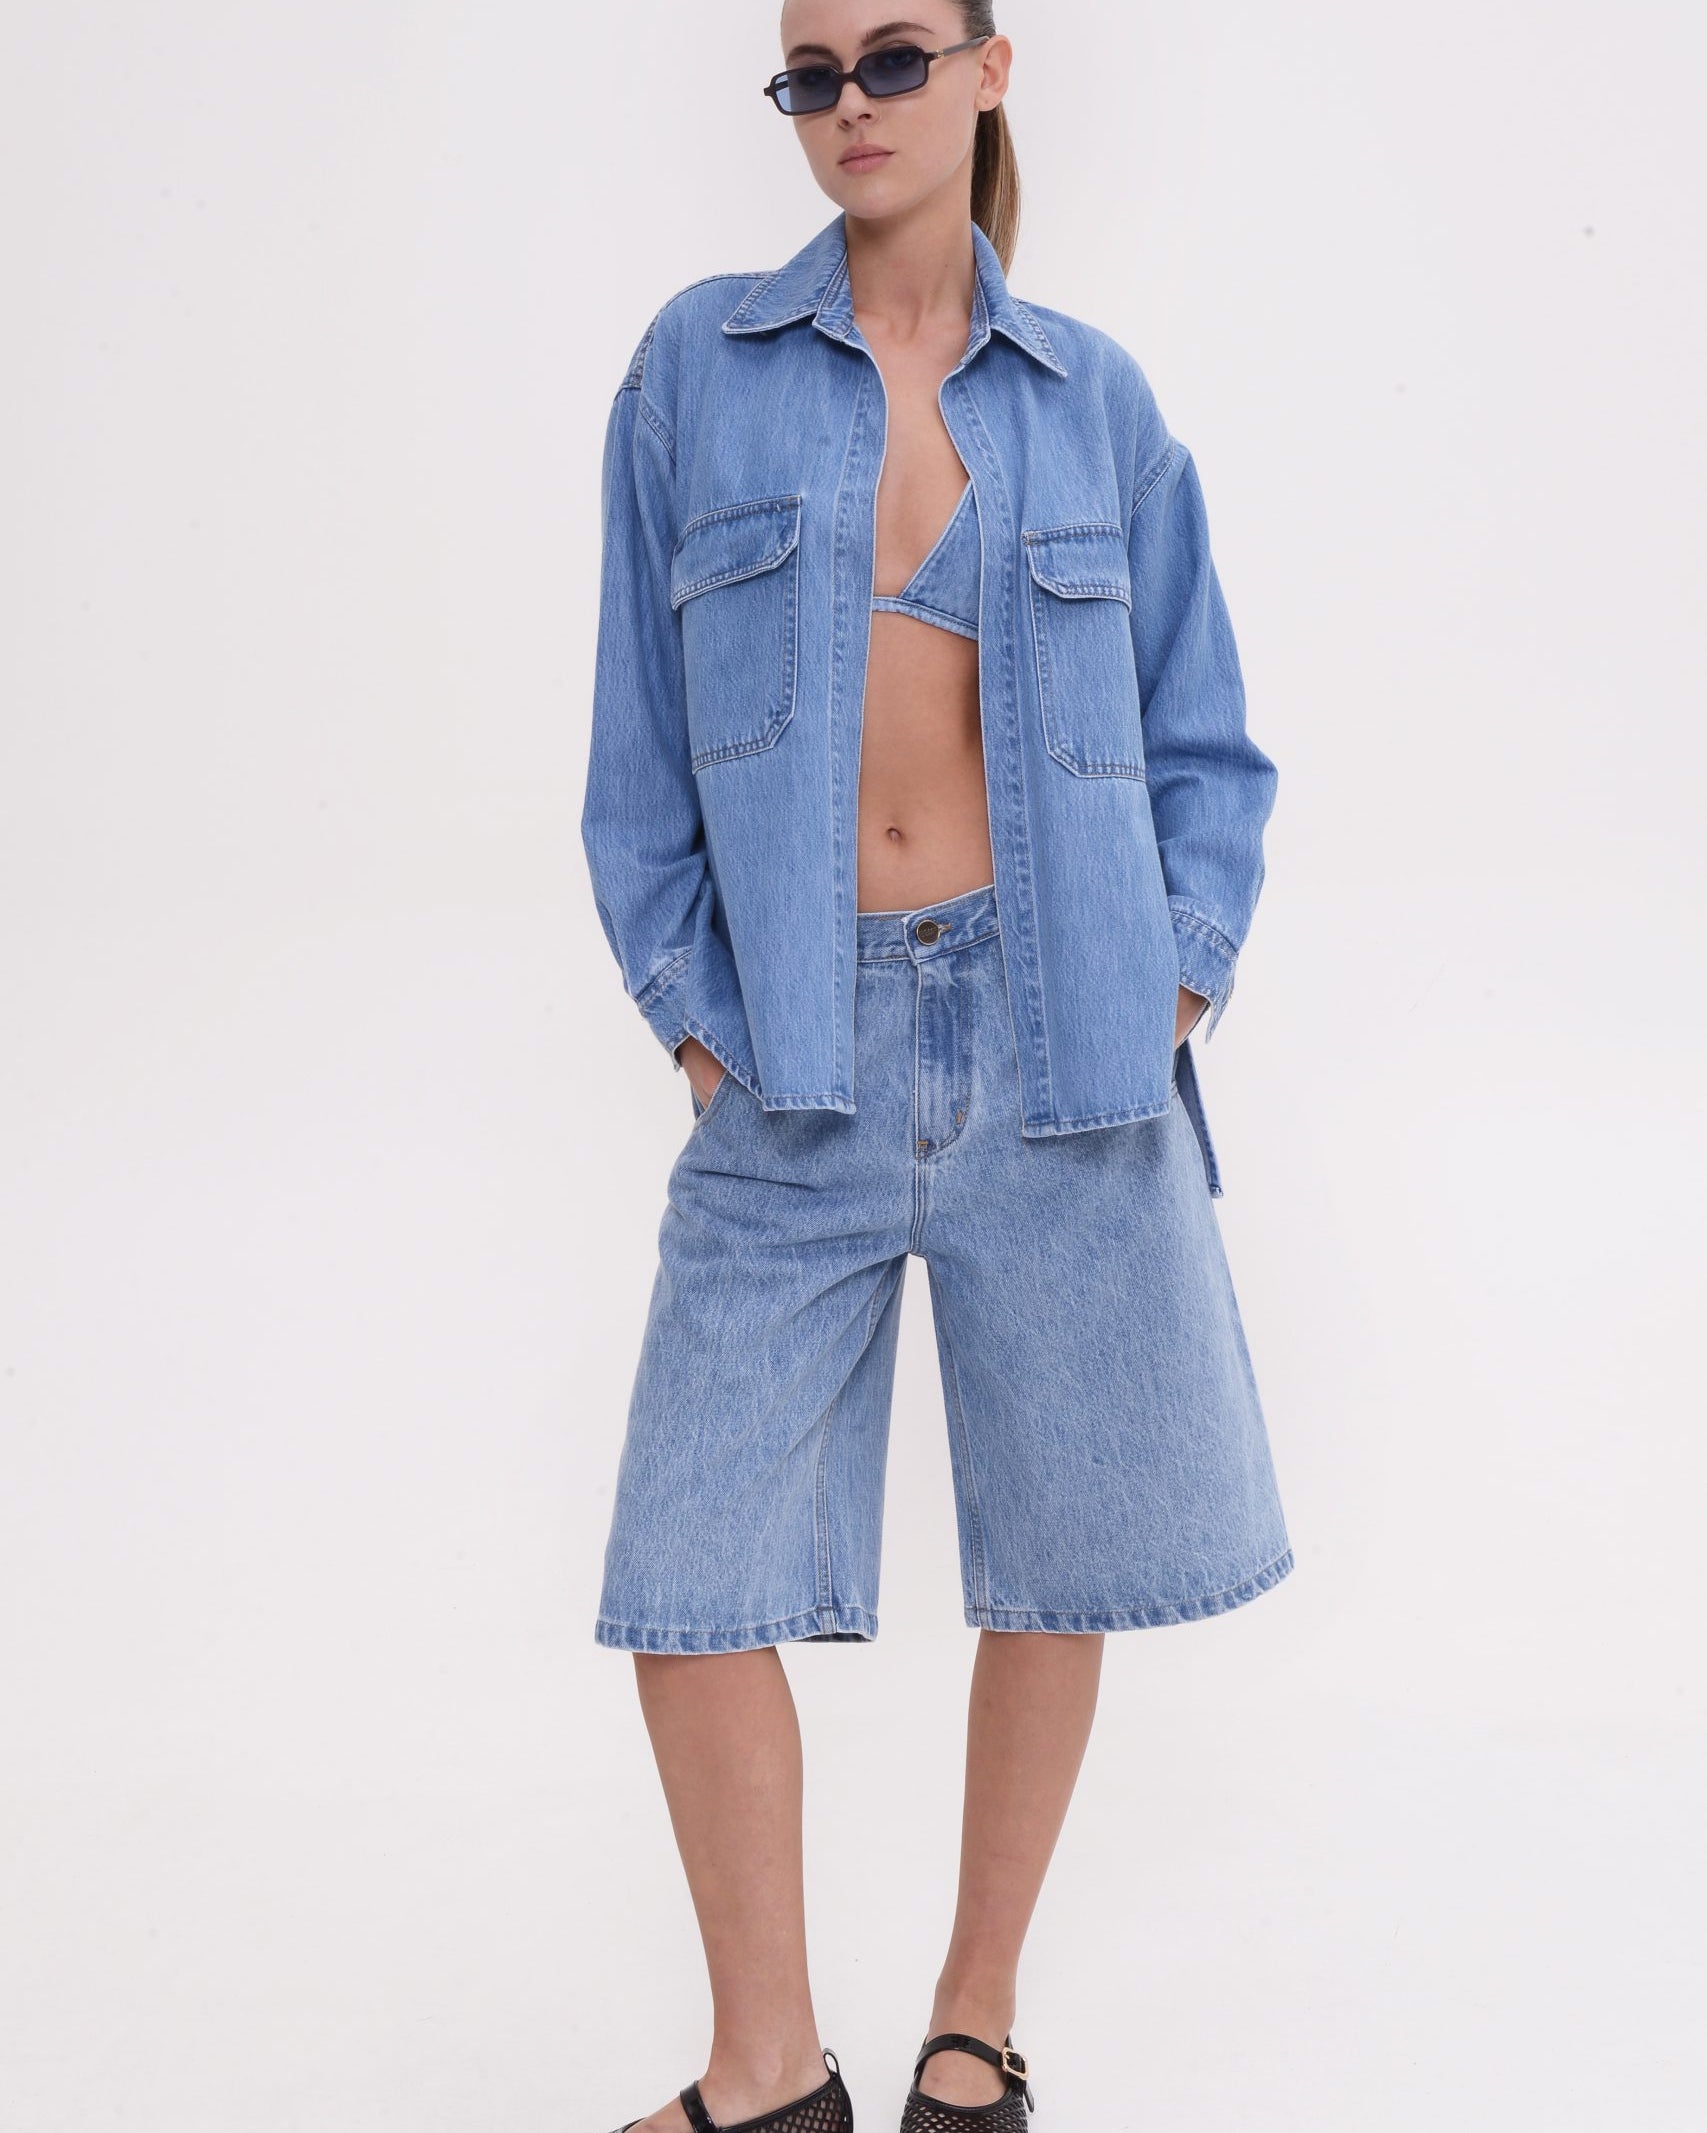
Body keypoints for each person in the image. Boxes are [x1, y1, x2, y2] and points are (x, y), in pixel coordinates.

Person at [580, 9, 1294, 2130]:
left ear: (990, 72)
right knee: (687, 1573)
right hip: (792, 1055)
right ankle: (766, 2068)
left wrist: (1164, 994)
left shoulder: (1096, 402)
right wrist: (698, 1020)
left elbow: (1208, 750)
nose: (849, 106)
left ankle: (970, 2032)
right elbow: (634, 759)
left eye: (891, 57)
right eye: (808, 74)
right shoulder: (695, 371)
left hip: (1062, 1036)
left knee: (1061, 1550)